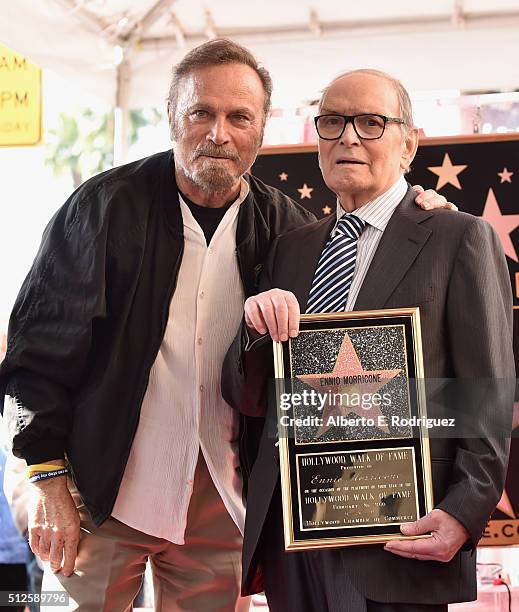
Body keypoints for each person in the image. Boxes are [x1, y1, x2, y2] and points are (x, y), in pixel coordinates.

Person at [0, 40, 453, 611]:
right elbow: (34, 357)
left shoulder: (287, 228)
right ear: (172, 118)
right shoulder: (101, 208)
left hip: (223, 496)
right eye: (201, 113)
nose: (219, 133)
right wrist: (48, 482)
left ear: (261, 128)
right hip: (98, 493)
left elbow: (345, 335)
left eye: (239, 117)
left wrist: (419, 215)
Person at [222, 69, 515, 612]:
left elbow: (487, 393)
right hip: (296, 537)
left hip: (402, 535)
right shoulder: (291, 248)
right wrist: (253, 333)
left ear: (409, 144)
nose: (348, 137)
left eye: (371, 122)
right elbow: (250, 395)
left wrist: (464, 513)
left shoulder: (459, 238)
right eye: (332, 122)